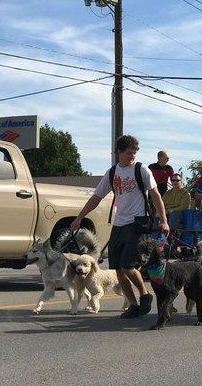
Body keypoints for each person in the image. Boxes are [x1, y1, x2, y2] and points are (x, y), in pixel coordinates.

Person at [70, 135, 169, 319]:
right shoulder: (112, 172)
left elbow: (155, 195)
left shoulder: (141, 170)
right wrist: (79, 217)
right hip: (118, 224)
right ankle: (132, 305)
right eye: (129, 153)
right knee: (117, 268)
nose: (132, 156)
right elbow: (96, 197)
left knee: (127, 265)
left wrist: (163, 220)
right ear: (118, 153)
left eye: (135, 153)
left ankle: (145, 294)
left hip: (137, 223)